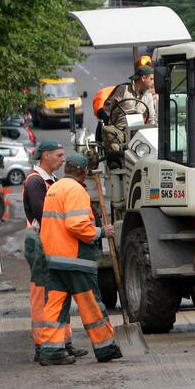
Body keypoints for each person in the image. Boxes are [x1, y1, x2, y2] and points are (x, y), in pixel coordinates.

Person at [38, 153, 122, 365]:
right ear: (84, 173)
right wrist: (102, 232)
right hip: (75, 260)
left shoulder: (54, 188)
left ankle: (51, 351)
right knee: (91, 305)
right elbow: (76, 225)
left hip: (55, 260)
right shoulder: (76, 190)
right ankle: (105, 348)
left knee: (55, 306)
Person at [22, 140, 87, 362]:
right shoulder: (34, 182)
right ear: (45, 156)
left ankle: (62, 342)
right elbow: (44, 215)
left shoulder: (52, 180)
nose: (62, 159)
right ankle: (43, 345)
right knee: (43, 297)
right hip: (41, 245)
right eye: (58, 155)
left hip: (52, 243)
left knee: (59, 295)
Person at [102, 65, 156, 151]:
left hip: (138, 132)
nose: (153, 82)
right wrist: (113, 103)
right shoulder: (123, 89)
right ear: (143, 78)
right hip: (119, 130)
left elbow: (151, 119)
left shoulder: (148, 96)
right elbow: (106, 107)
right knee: (113, 146)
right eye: (151, 79)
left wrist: (150, 135)